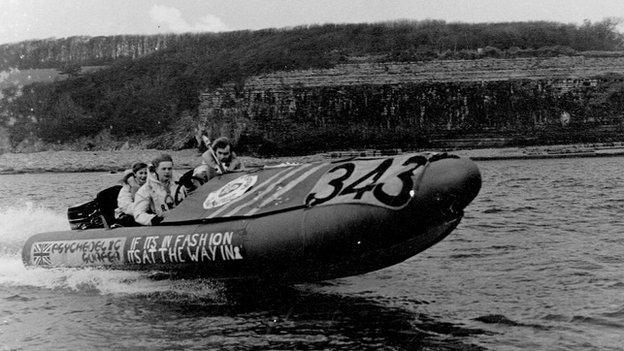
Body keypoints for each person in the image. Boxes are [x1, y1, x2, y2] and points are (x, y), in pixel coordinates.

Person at [134, 154, 186, 226]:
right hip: (161, 224)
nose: (167, 171)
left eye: (169, 169)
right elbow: (138, 214)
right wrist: (154, 219)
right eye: (164, 169)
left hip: (183, 220)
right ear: (156, 170)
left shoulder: (180, 183)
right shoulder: (146, 189)